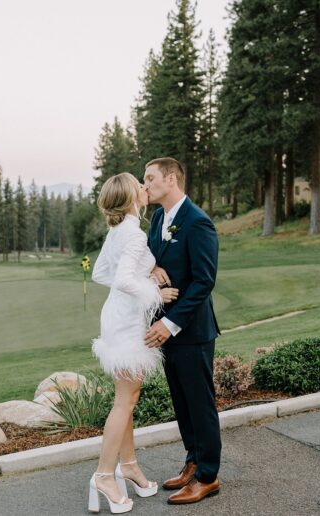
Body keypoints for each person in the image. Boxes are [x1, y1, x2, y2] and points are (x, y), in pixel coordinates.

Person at [89, 172, 179, 514]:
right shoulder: (135, 235)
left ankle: (128, 467)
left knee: (128, 397)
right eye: (139, 186)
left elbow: (102, 274)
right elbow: (124, 278)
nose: (145, 188)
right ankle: (103, 475)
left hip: (117, 319)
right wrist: (154, 291)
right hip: (126, 325)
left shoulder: (119, 231)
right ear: (130, 199)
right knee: (125, 401)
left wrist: (145, 274)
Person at [144, 157, 221, 505]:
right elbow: (150, 256)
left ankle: (208, 476)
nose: (145, 186)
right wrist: (154, 265)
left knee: (200, 405)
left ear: (171, 179)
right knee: (182, 403)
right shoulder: (159, 218)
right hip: (165, 331)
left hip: (190, 331)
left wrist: (169, 324)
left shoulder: (198, 222)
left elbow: (204, 281)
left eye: (150, 178)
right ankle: (192, 461)